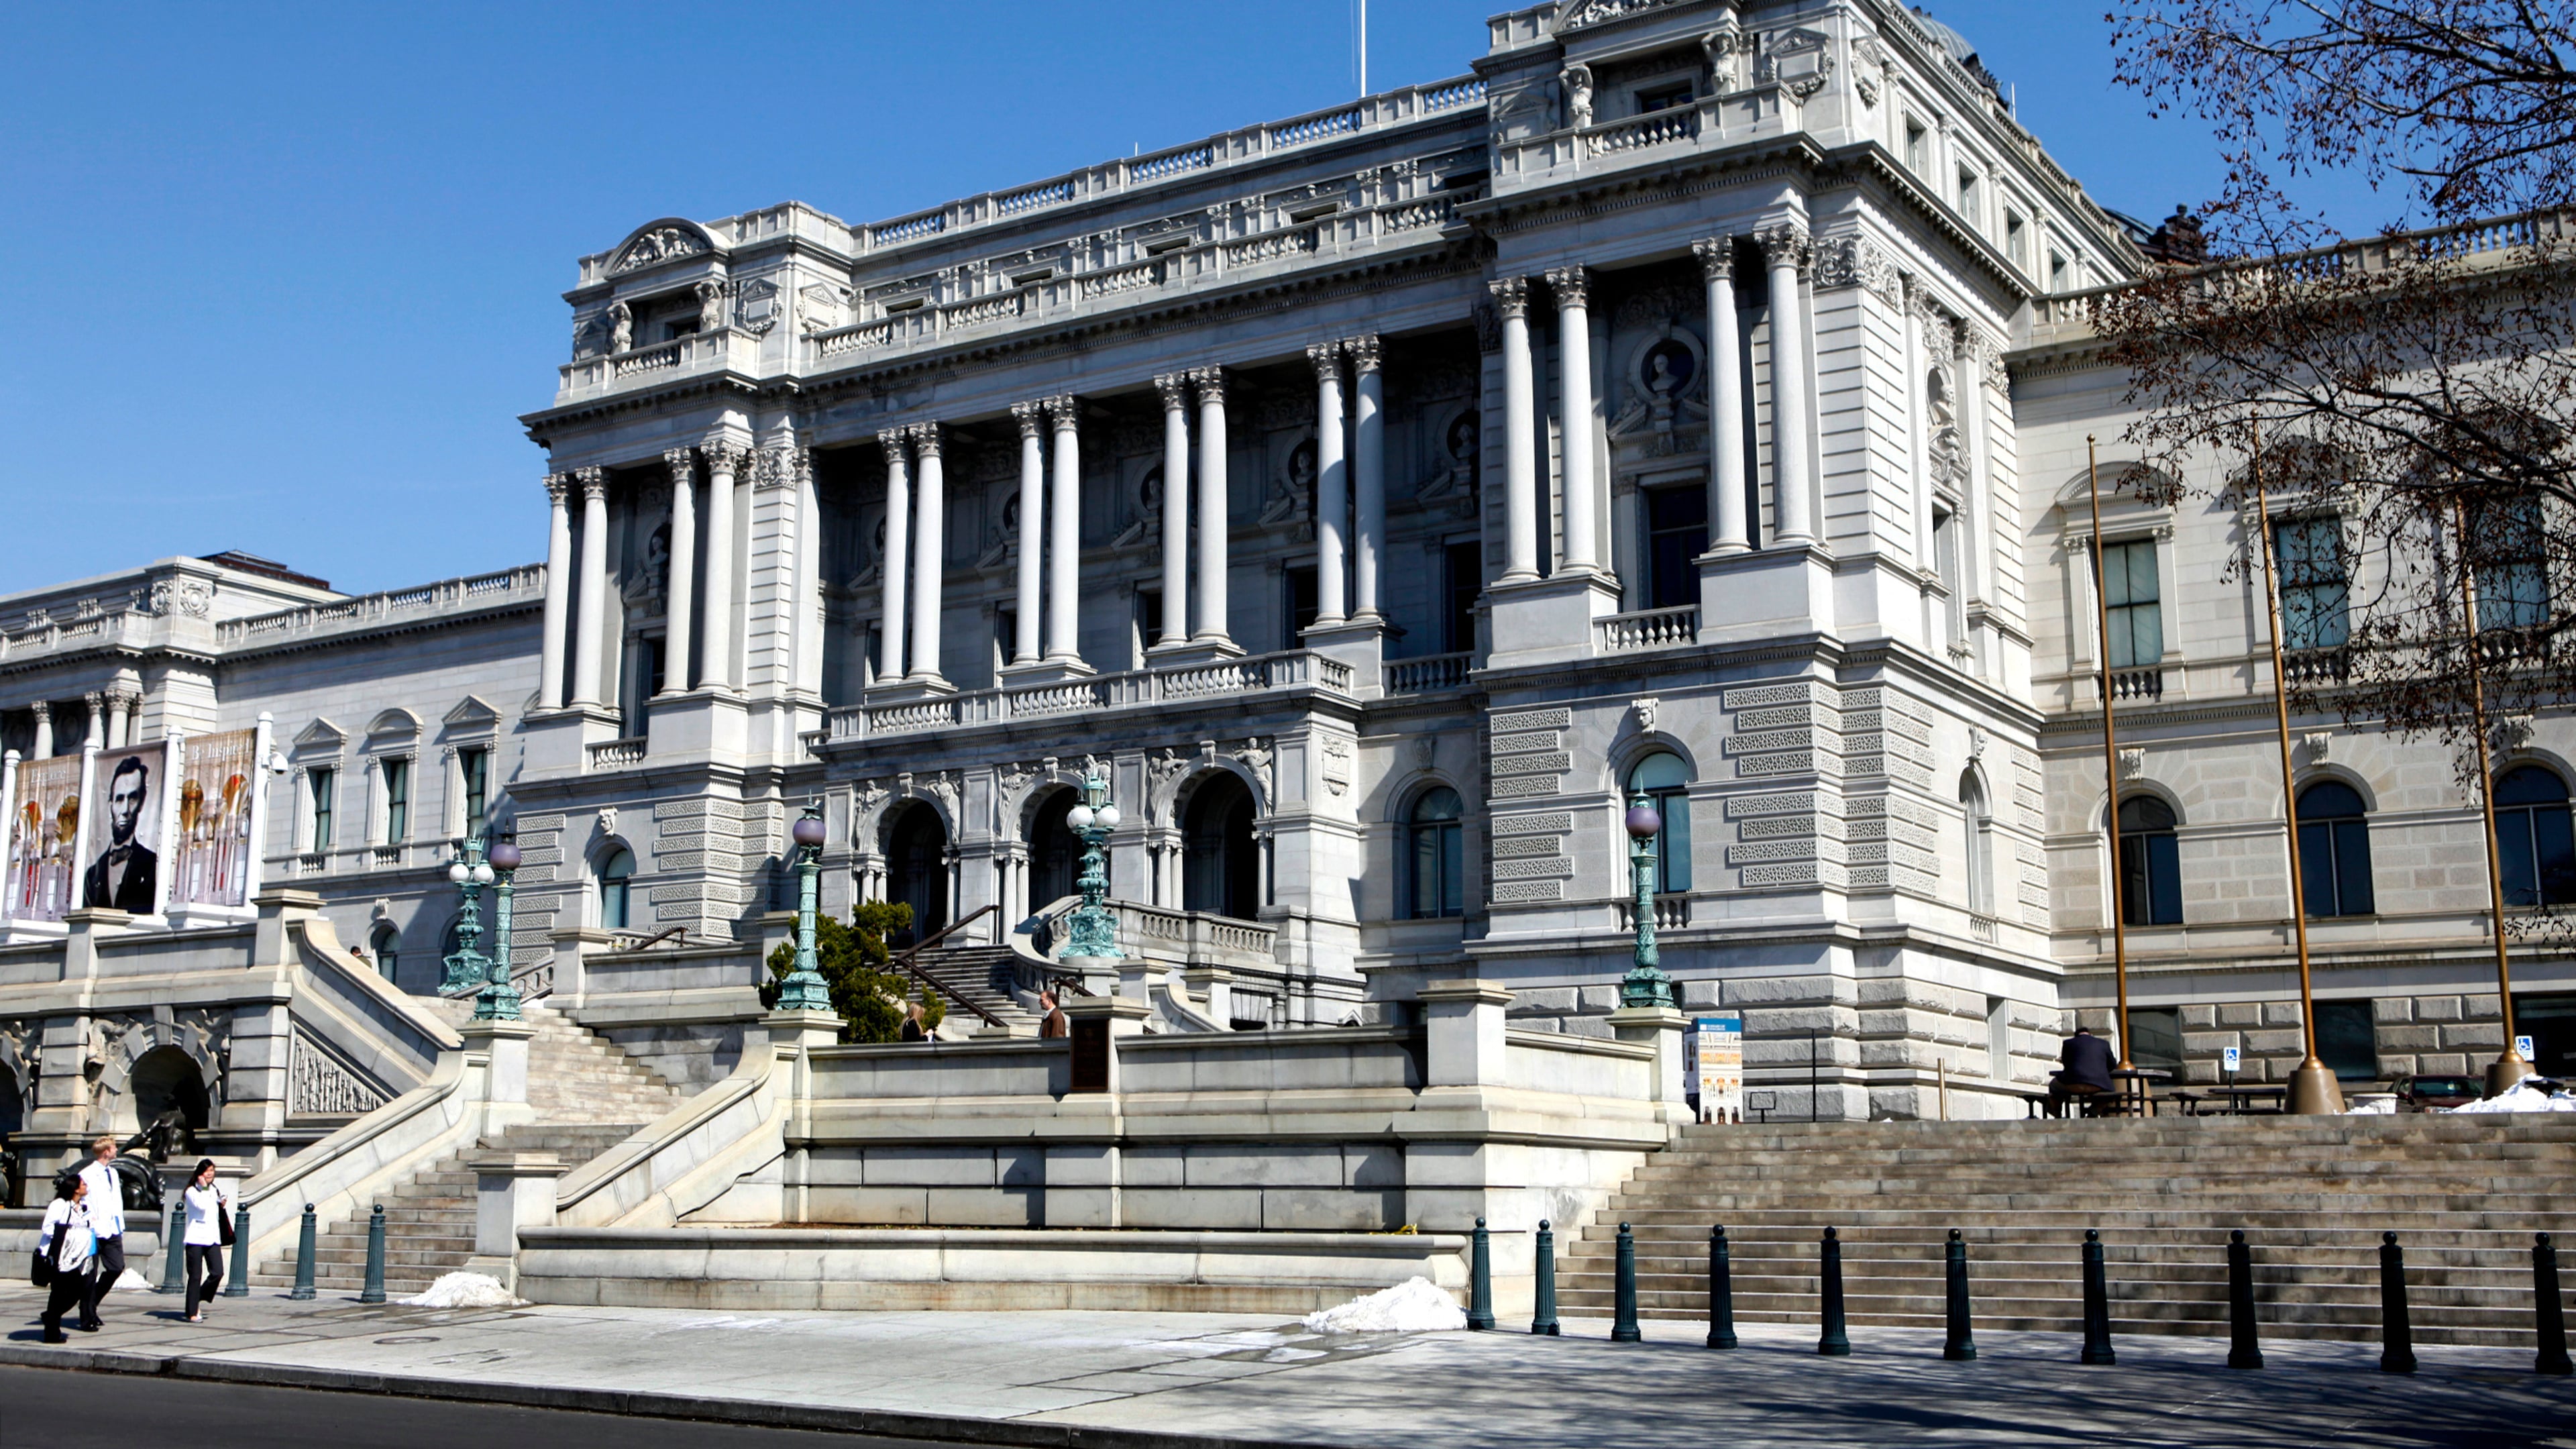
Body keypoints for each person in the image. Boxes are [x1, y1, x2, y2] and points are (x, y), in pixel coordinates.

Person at [83, 755, 158, 911]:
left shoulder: (151, 864)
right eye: (119, 799)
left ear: (142, 803)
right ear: (110, 804)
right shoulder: (92, 875)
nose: (125, 811)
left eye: (132, 799)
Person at [34, 1173, 99, 1343]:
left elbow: (90, 1226)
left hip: (77, 1258)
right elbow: (48, 1228)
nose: (86, 1186)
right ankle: (52, 1332)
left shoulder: (83, 1206)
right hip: (59, 1256)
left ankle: (51, 1316)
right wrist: (70, 1234)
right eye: (83, 1184)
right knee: (58, 1293)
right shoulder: (60, 1205)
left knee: (77, 1290)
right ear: (75, 1188)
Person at [73, 1136, 127, 1330]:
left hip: (112, 1228)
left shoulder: (112, 1172)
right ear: (106, 1151)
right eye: (114, 1147)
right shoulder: (88, 1174)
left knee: (116, 1267)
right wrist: (91, 1223)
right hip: (94, 1230)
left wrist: (119, 1223)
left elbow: (115, 1200)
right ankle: (87, 1315)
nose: (116, 1150)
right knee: (90, 1274)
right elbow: (84, 1200)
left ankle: (91, 1303)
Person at [180, 1159, 231, 1322]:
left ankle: (198, 1297)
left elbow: (212, 1208)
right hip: (196, 1237)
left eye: (212, 1171)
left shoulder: (213, 1189)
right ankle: (192, 1312)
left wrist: (220, 1203)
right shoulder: (192, 1191)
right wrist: (203, 1187)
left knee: (218, 1272)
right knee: (195, 1276)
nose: (210, 1174)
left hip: (212, 1237)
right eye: (207, 1171)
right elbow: (200, 1206)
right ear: (199, 1174)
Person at [2057, 1025, 2118, 1103]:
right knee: (2111, 1094)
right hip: (2099, 1085)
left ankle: (2057, 1113)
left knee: (2054, 1086)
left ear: (2076, 1036)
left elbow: (2066, 1064)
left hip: (2074, 1084)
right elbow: (2113, 1065)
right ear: (2090, 1034)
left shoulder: (2068, 1043)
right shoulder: (2104, 1044)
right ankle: (2093, 1111)